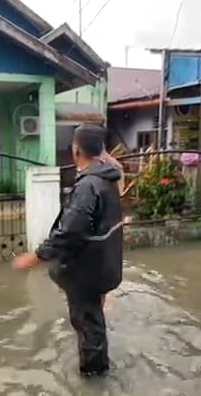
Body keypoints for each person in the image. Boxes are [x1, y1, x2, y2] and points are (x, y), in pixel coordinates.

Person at [13, 124, 124, 377]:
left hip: (86, 270)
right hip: (103, 263)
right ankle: (98, 366)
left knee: (88, 325)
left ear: (76, 150)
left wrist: (36, 256)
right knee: (92, 319)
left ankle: (94, 379)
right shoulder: (108, 178)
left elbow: (70, 231)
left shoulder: (88, 184)